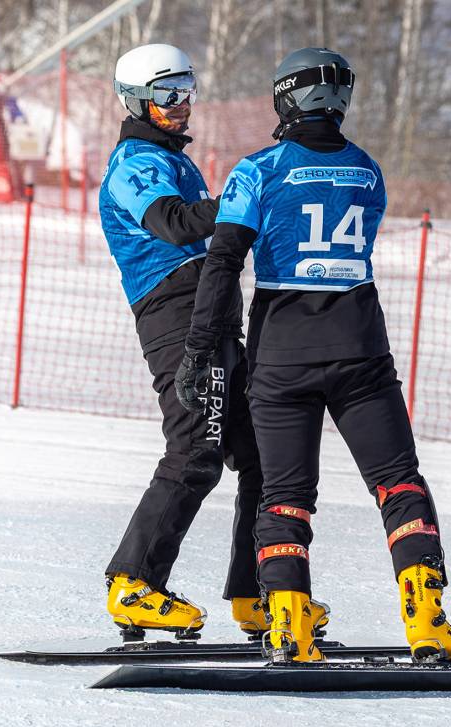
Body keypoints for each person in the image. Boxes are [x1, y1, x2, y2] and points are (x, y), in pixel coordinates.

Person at [175, 47, 451, 665]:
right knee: (399, 483)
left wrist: (201, 348)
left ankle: (289, 627)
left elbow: (224, 262)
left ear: (285, 99)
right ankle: (428, 623)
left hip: (283, 354)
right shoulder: (368, 169)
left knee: (283, 495)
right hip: (361, 347)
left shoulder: (257, 170)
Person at [99, 43, 280, 640]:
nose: (181, 107)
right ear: (135, 101)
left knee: (257, 456)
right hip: (175, 317)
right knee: (195, 451)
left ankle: (255, 594)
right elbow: (173, 223)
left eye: (187, 92)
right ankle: (133, 583)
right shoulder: (136, 164)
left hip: (214, 315)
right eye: (166, 96)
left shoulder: (172, 158)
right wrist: (240, 203)